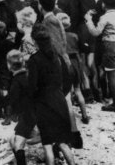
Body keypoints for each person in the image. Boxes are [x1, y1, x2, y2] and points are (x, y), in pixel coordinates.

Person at [28, 25, 76, 165]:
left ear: (35, 41)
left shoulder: (34, 60)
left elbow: (32, 87)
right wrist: (60, 94)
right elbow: (67, 81)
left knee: (47, 145)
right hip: (59, 100)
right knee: (62, 143)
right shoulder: (58, 57)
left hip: (43, 104)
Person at [58, 12, 89, 124]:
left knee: (66, 92)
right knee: (78, 90)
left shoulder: (58, 38)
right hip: (75, 63)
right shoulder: (75, 36)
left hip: (64, 63)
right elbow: (82, 49)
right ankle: (85, 115)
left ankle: (69, 119)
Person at [0, 20, 22, 125]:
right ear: (6, 32)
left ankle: (7, 117)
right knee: (14, 92)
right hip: (12, 70)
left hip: (1, 72)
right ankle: (15, 115)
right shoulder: (11, 44)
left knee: (4, 94)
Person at [72, 0, 99, 102]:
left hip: (79, 31)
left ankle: (87, 92)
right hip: (90, 30)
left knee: (82, 64)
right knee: (91, 63)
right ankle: (97, 91)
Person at [6, 50, 35, 165]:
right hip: (36, 112)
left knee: (17, 144)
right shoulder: (30, 75)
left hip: (28, 115)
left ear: (9, 66)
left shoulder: (16, 81)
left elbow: (12, 99)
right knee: (13, 140)